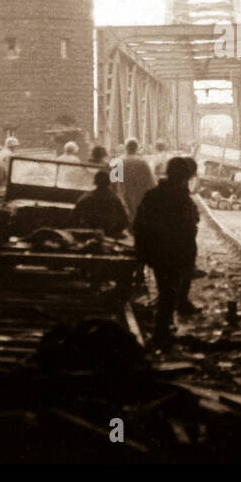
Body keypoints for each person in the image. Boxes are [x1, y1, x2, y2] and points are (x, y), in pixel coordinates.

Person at [132, 156, 200, 349]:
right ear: (183, 176)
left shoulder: (153, 194)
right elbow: (188, 229)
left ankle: (163, 330)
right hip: (172, 254)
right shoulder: (180, 198)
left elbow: (139, 224)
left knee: (166, 292)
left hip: (157, 253)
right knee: (168, 294)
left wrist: (143, 252)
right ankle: (161, 334)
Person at [71, 171, 131, 238]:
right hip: (109, 234)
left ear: (95, 182)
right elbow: (125, 221)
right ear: (108, 183)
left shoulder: (86, 198)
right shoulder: (115, 199)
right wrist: (115, 231)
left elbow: (74, 218)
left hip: (89, 234)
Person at [116, 137, 157, 224]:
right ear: (137, 148)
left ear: (125, 148)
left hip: (123, 193)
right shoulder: (142, 162)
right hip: (139, 194)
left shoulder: (119, 161)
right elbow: (151, 182)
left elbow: (112, 181)